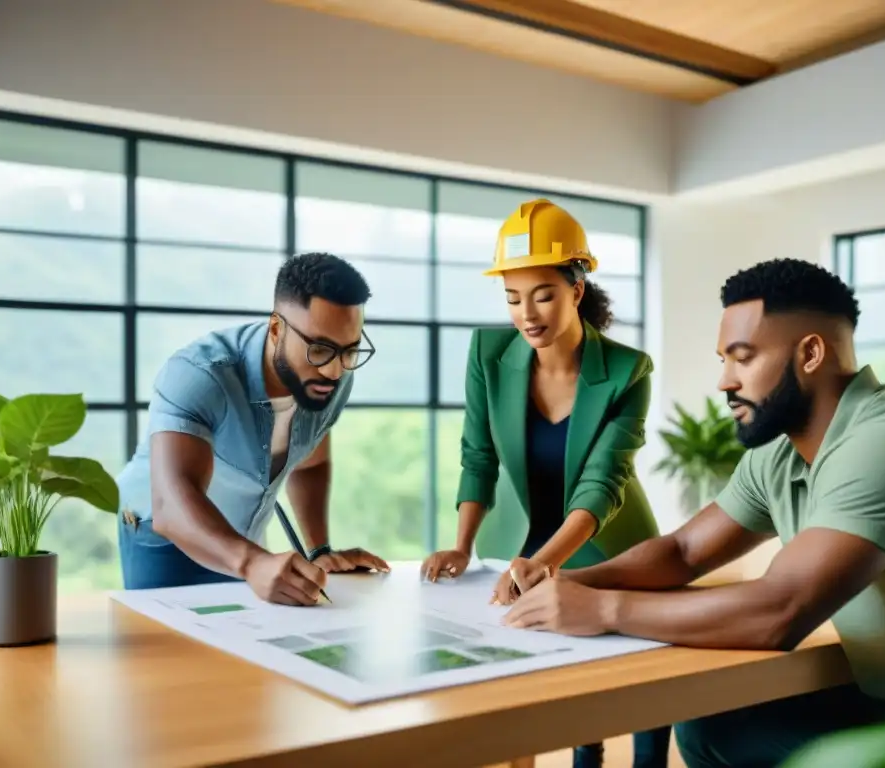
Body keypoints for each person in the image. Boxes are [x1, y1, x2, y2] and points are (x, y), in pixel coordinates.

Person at [500, 257, 885, 765]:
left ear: (810, 353)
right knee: (717, 724)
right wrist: (570, 582)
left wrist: (602, 610)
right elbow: (682, 553)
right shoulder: (780, 451)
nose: (725, 380)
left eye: (743, 357)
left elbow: (780, 611)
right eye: (723, 359)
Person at [419, 199, 672, 768]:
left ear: (577, 289)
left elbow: (602, 483)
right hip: (525, 545)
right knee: (542, 687)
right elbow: (477, 456)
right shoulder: (489, 356)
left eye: (543, 295)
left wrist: (550, 564)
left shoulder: (629, 371)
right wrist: (462, 545)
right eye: (512, 298)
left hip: (610, 542)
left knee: (634, 689)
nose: (526, 313)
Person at [115, 252, 391, 605]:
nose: (335, 371)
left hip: (245, 540)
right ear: (276, 329)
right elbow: (171, 504)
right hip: (165, 535)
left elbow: (310, 462)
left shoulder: (331, 378)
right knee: (173, 655)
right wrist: (250, 562)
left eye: (350, 351)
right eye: (320, 349)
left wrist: (319, 549)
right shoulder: (199, 375)